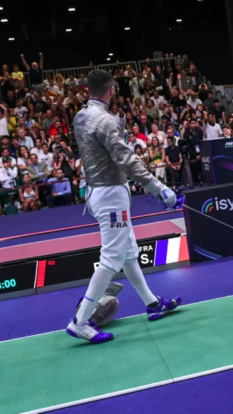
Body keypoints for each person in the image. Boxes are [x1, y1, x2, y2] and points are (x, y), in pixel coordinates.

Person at [67, 70, 182, 344]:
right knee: (111, 258)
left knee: (129, 252)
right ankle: (80, 321)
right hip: (110, 196)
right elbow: (127, 161)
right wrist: (160, 188)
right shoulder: (106, 120)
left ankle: (152, 303)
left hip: (96, 192)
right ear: (112, 90)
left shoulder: (80, 116)